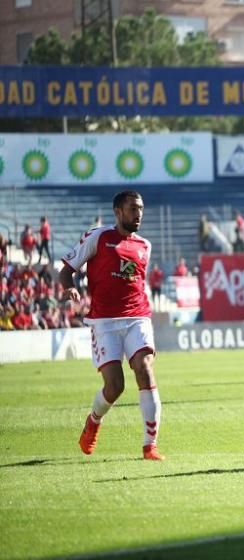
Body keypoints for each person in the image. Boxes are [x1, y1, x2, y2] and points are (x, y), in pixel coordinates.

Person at [58, 190, 164, 460]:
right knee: (115, 386)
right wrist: (70, 289)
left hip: (137, 317)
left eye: (140, 208)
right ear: (117, 211)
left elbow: (137, 283)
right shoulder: (98, 237)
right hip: (104, 322)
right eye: (132, 208)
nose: (138, 213)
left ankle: (149, 445)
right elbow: (66, 270)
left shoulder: (145, 246)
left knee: (144, 369)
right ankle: (93, 421)